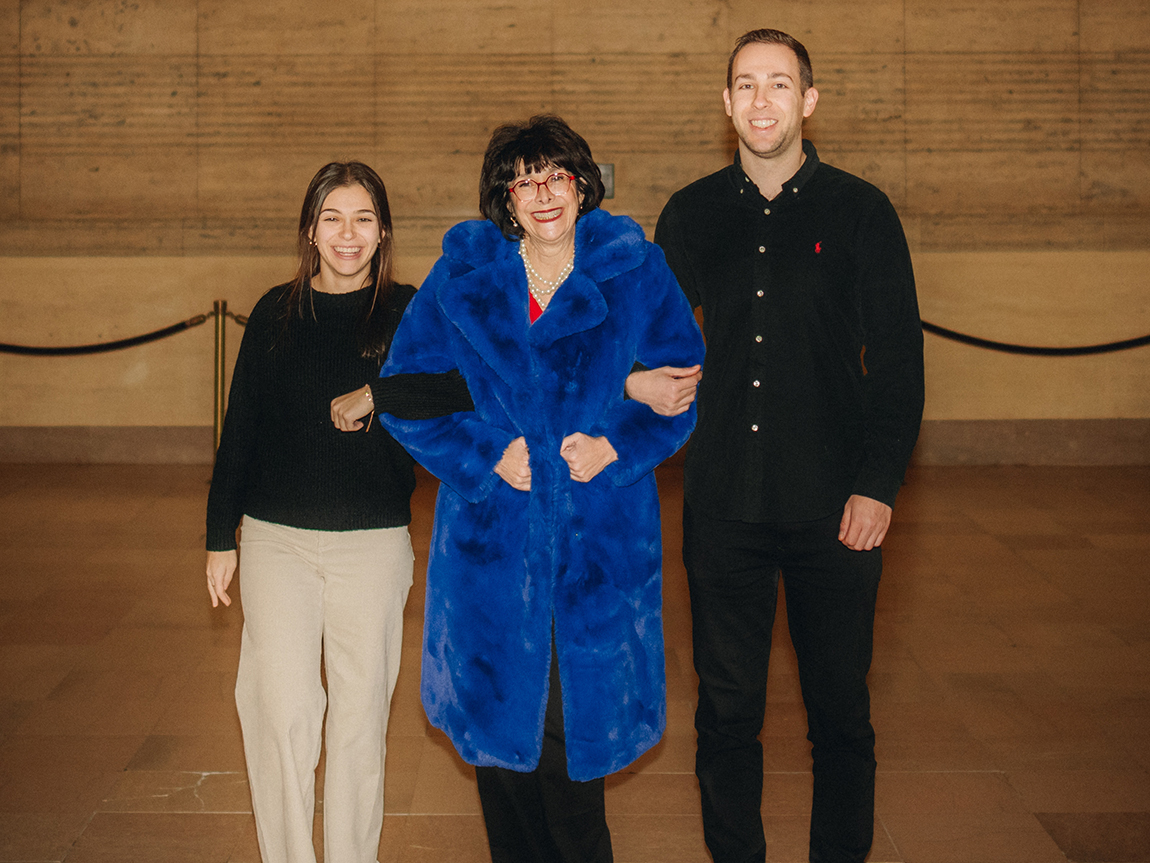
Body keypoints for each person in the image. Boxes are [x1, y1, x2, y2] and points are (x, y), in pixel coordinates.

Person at [377, 115, 706, 863]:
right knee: (501, 771)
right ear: (505, 198)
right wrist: (489, 452)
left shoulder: (634, 269)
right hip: (491, 556)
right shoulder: (464, 280)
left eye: (555, 175)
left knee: (569, 771)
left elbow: (683, 385)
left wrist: (617, 439)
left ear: (583, 182)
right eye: (522, 181)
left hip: (599, 551)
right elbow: (405, 393)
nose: (542, 194)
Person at [649, 28, 925, 863]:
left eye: (779, 84)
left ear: (809, 100)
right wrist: (634, 384)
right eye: (745, 84)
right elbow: (646, 342)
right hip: (724, 503)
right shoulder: (690, 214)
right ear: (725, 102)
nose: (761, 100)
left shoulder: (861, 211)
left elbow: (901, 364)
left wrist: (877, 485)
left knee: (840, 709)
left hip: (835, 506)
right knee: (726, 714)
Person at [204, 161, 473, 863]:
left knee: (358, 725)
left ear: (383, 231)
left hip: (372, 545)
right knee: (281, 715)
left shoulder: (411, 309)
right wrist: (218, 535)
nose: (347, 234)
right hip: (276, 542)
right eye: (332, 218)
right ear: (310, 231)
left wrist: (378, 393)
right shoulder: (273, 311)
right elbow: (241, 429)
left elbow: (465, 383)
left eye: (362, 219)